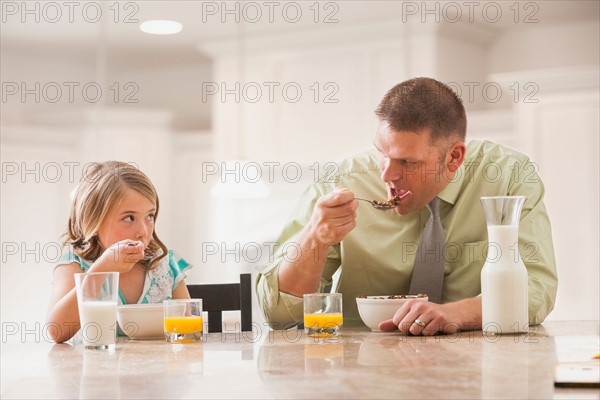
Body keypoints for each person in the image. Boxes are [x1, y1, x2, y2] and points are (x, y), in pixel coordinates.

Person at [256, 77, 558, 335]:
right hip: (358, 372)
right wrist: (314, 238)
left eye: (407, 162)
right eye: (381, 152)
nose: (387, 174)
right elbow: (280, 315)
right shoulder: (341, 182)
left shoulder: (509, 177)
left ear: (454, 157)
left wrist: (458, 313)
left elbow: (537, 288)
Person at [47, 161, 192, 343]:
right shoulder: (75, 263)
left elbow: (188, 330)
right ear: (94, 220)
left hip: (157, 369)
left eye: (149, 216)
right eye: (129, 218)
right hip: (95, 369)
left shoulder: (165, 264)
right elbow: (57, 331)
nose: (143, 231)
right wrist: (101, 269)